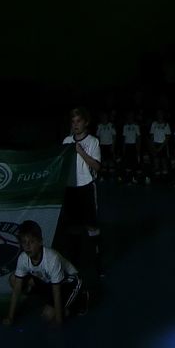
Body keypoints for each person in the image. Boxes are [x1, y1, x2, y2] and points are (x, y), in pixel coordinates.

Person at [3, 220, 83, 327]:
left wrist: (59, 320)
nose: (27, 246)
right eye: (24, 242)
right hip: (49, 281)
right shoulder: (23, 258)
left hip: (69, 281)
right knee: (13, 279)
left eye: (31, 242)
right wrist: (10, 317)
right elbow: (17, 288)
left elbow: (57, 291)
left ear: (40, 242)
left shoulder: (52, 258)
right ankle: (51, 303)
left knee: (48, 316)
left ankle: (79, 301)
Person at [61, 108, 103, 277]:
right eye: (73, 121)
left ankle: (97, 261)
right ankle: (74, 264)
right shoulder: (66, 140)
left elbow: (97, 166)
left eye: (78, 121)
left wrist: (80, 151)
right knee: (73, 226)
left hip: (86, 186)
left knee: (91, 225)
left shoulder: (93, 142)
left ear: (86, 122)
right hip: (70, 187)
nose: (75, 125)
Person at [148, 109, 171, 180]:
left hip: (163, 145)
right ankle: (157, 178)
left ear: (163, 114)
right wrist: (153, 146)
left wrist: (161, 147)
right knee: (156, 162)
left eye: (161, 113)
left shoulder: (166, 124)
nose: (159, 115)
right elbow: (151, 136)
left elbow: (167, 137)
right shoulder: (154, 123)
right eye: (158, 113)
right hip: (155, 145)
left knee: (164, 162)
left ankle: (165, 178)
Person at [121, 111, 142, 183]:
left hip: (134, 146)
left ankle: (135, 178)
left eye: (131, 116)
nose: (130, 117)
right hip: (127, 146)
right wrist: (123, 148)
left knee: (135, 162)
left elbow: (139, 137)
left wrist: (138, 148)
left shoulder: (136, 125)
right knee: (127, 162)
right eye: (129, 116)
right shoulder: (125, 126)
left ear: (133, 117)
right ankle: (128, 178)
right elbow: (124, 138)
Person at [96, 111, 117, 178]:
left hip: (110, 145)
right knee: (103, 162)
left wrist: (113, 146)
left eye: (105, 116)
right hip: (102, 145)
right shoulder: (99, 126)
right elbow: (97, 137)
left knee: (110, 161)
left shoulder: (111, 125)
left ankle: (112, 177)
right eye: (102, 116)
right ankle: (104, 177)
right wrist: (98, 146)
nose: (104, 118)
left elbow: (114, 136)